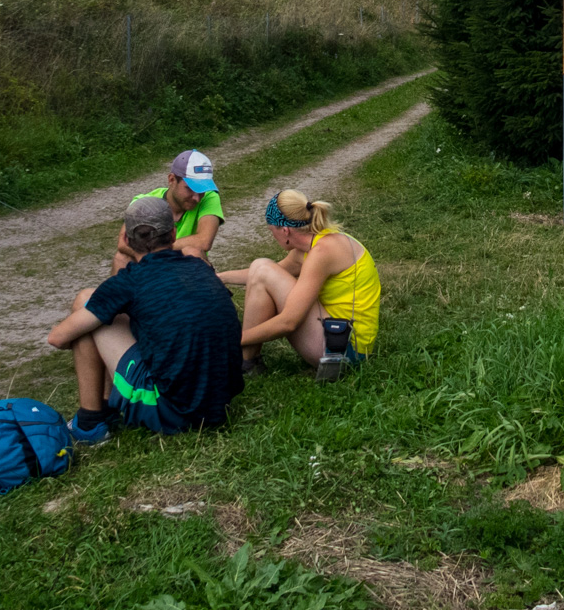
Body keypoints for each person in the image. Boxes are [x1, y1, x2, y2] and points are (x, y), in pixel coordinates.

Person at [49, 195, 243, 442]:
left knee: (87, 304)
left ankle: (90, 423)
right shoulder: (200, 266)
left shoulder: (129, 281)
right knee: (106, 310)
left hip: (175, 412)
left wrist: (83, 338)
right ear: (173, 235)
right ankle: (107, 408)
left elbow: (58, 338)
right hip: (221, 401)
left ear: (127, 240)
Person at [219, 189, 379, 380]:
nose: (273, 236)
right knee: (261, 269)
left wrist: (231, 340)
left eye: (272, 231)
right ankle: (247, 362)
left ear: (285, 230)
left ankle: (245, 362)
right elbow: (259, 276)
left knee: (262, 268)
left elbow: (288, 322)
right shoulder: (317, 243)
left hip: (345, 351)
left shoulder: (322, 253)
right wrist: (219, 277)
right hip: (340, 338)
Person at [110, 149, 223, 274]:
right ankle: (118, 293)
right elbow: (123, 243)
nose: (197, 197)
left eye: (202, 190)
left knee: (193, 252)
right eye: (190, 189)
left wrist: (157, 250)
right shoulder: (144, 203)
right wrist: (157, 255)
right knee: (121, 258)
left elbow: (204, 241)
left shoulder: (209, 197)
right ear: (171, 180)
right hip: (149, 263)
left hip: (180, 264)